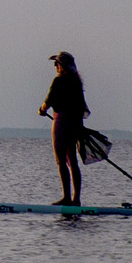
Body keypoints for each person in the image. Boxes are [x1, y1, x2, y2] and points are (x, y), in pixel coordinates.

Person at [39, 50, 90, 207]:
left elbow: (47, 104)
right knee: (72, 161)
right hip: (75, 125)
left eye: (57, 64)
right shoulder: (76, 83)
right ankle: (76, 199)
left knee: (61, 161)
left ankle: (67, 198)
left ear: (62, 66)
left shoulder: (58, 81)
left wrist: (41, 110)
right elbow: (82, 108)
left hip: (61, 123)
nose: (55, 66)